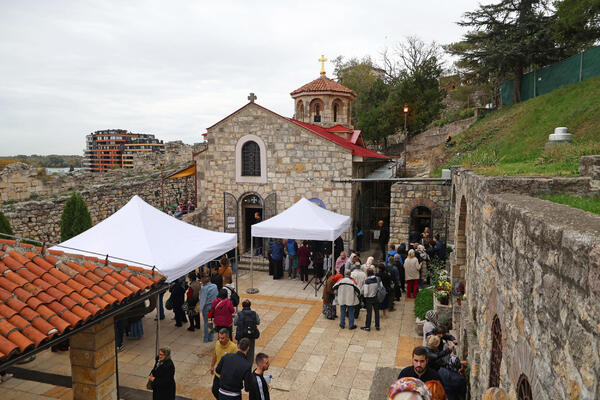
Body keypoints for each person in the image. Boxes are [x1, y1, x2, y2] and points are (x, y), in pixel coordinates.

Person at [211, 328, 239, 399]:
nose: (220, 340)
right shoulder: (217, 343)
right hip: (218, 374)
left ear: (228, 337)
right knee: (214, 390)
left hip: (227, 377)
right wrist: (212, 366)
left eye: (222, 338)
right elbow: (215, 355)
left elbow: (236, 363)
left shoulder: (233, 348)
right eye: (219, 337)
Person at [235, 299, 260, 365]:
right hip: (251, 336)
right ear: (250, 305)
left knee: (240, 350)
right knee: (251, 351)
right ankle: (249, 364)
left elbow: (235, 323)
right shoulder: (254, 314)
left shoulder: (239, 314)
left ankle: (240, 363)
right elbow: (258, 322)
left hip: (241, 335)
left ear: (243, 306)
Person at [199, 276, 218, 342]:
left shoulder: (204, 289)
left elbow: (202, 300)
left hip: (206, 307)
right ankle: (211, 337)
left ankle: (206, 338)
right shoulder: (215, 286)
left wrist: (200, 309)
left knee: (206, 323)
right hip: (213, 306)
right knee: (211, 321)